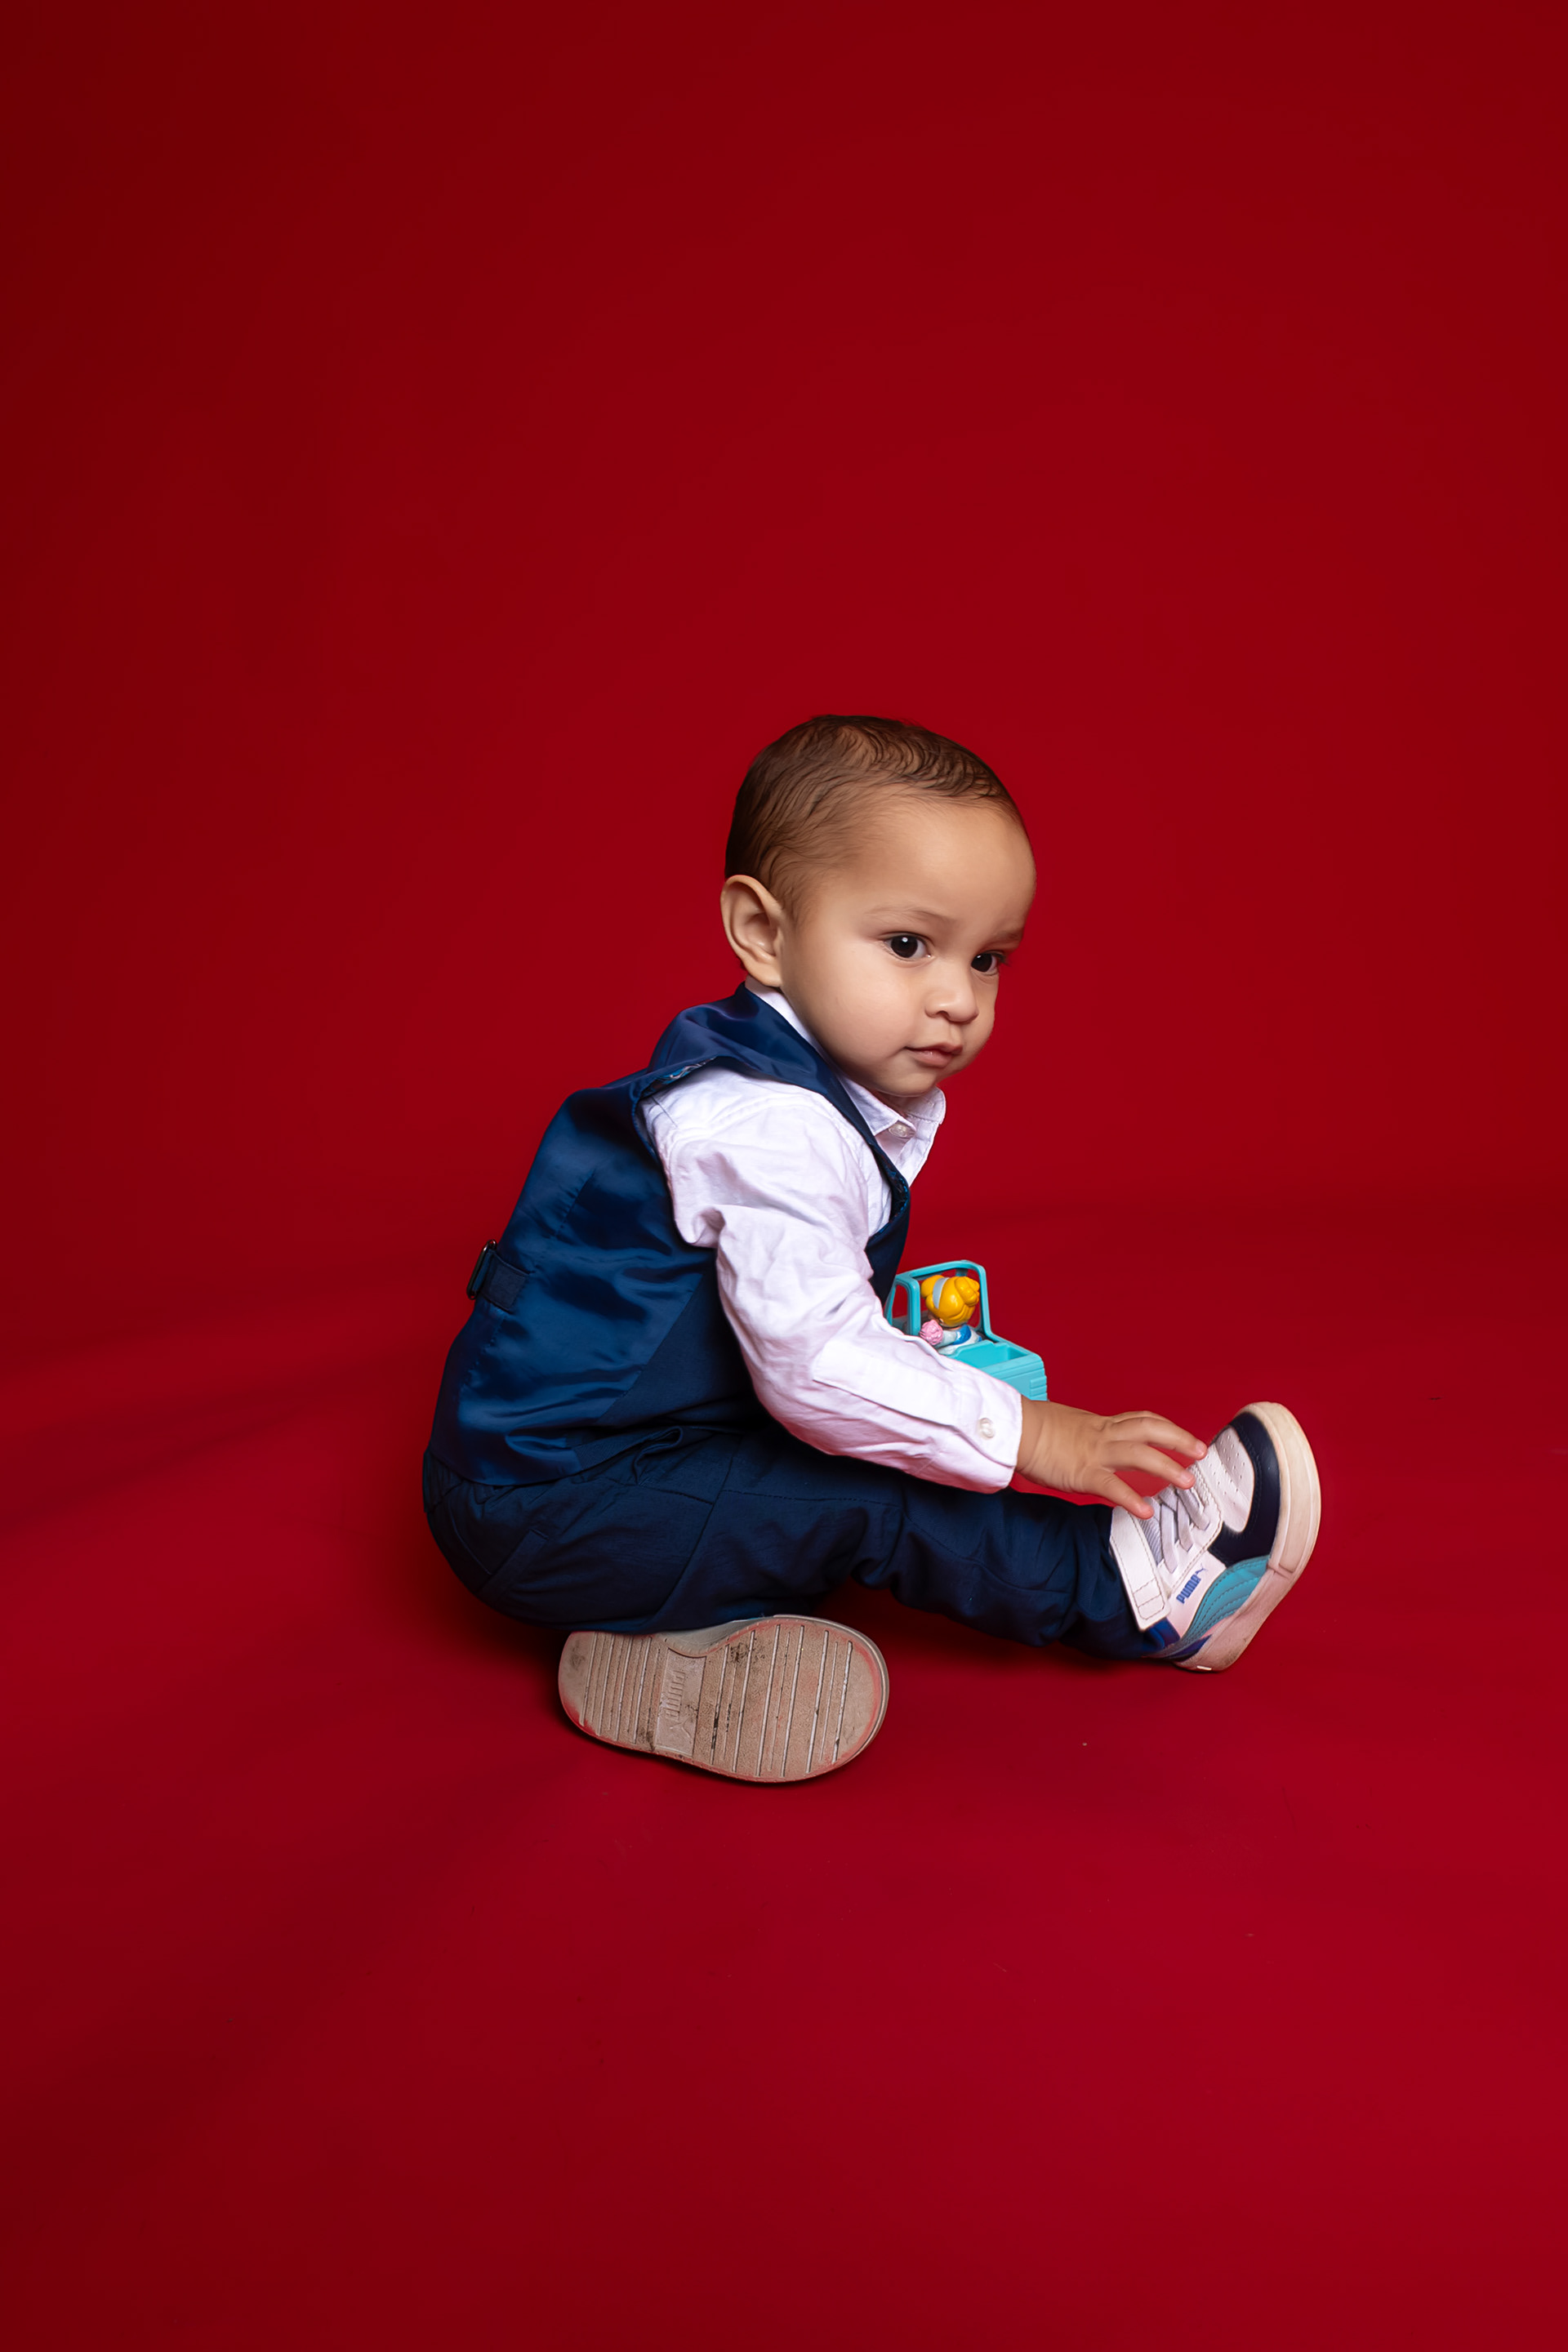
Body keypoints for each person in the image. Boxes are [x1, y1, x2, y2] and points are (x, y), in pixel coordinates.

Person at [423, 715, 1321, 1783]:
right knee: (875, 1491)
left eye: (988, 959)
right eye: (908, 945)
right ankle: (1135, 1597)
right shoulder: (771, 1126)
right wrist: (1037, 1437)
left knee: (884, 1431)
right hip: (552, 1506)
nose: (958, 998)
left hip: (605, 1464)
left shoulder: (777, 1078)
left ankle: (669, 1644)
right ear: (762, 931)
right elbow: (814, 1365)